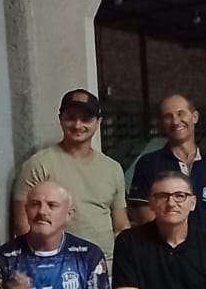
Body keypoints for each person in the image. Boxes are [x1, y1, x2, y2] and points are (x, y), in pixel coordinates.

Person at [13, 89, 128, 260]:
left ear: (98, 122)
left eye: (86, 119)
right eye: (71, 117)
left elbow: (121, 225)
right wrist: (39, 263)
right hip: (55, 264)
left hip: (105, 264)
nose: (77, 125)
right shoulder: (38, 165)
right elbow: (22, 223)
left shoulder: (112, 168)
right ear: (61, 119)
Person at [128, 93, 206, 238]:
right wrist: (171, 243)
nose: (175, 121)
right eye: (168, 116)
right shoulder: (148, 164)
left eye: (181, 114)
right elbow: (143, 210)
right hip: (163, 249)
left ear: (195, 117)